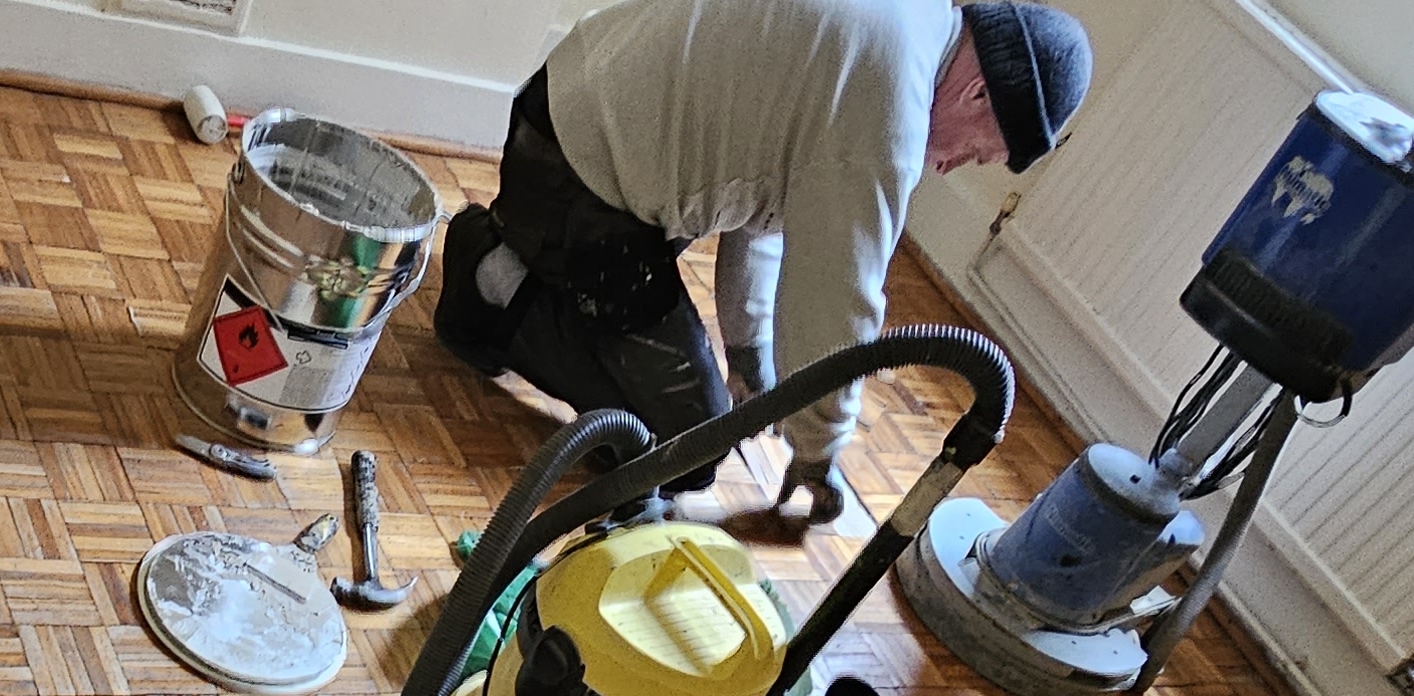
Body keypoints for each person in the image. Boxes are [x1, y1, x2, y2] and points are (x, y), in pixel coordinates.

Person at [434, 0, 1092, 511]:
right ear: (978, 93)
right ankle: (490, 282)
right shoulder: (890, 106)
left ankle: (534, 268)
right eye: (979, 151)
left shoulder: (906, 25)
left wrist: (749, 355)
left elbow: (765, 212)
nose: (954, 167)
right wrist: (817, 451)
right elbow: (838, 300)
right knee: (685, 451)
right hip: (577, 180)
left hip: (574, 112)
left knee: (680, 387)